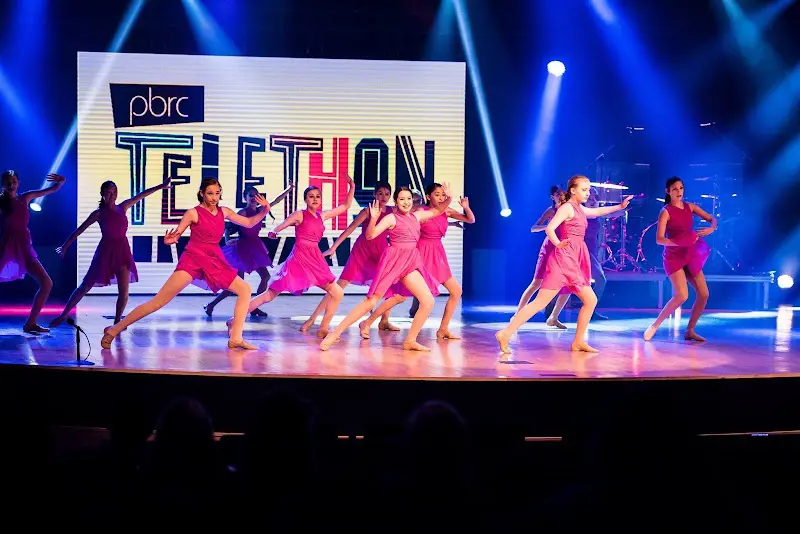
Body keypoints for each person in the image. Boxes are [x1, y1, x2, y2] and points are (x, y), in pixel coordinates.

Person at [101, 177, 270, 350]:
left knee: (244, 289)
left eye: (217, 193)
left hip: (214, 260)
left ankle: (236, 338)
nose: (214, 197)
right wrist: (170, 240)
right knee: (159, 301)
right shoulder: (193, 213)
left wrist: (265, 209)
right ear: (202, 193)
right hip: (193, 259)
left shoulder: (224, 211)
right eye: (210, 193)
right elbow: (177, 234)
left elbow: (249, 223)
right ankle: (114, 329)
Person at [495, 175, 632, 353]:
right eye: (584, 190)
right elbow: (550, 228)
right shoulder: (567, 208)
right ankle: (505, 333)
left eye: (588, 190)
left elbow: (597, 212)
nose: (588, 193)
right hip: (562, 260)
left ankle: (578, 342)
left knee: (590, 300)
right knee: (540, 302)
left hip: (573, 260)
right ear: (573, 190)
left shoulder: (579, 208)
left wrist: (620, 207)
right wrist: (558, 243)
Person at [320, 185, 452, 352]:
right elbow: (370, 235)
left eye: (409, 199)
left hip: (410, 262)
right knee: (371, 301)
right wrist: (373, 219)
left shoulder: (417, 216)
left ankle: (410, 341)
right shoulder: (391, 218)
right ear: (396, 201)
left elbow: (438, 210)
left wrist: (449, 197)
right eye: (402, 199)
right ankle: (334, 334)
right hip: (393, 261)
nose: (406, 202)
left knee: (428, 301)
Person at [358, 182, 475, 340]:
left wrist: (466, 207)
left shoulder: (446, 211)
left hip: (438, 254)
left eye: (443, 195)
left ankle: (443, 329)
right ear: (428, 197)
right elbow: (404, 221)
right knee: (400, 296)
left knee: (456, 291)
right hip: (421, 254)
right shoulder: (420, 211)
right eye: (437, 195)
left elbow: (470, 220)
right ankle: (368, 322)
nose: (441, 198)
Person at [50, 179, 171, 327]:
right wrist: (65, 245)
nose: (112, 195)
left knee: (124, 292)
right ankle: (64, 314)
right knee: (86, 285)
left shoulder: (123, 207)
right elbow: (80, 230)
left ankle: (117, 322)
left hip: (122, 251)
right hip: (105, 251)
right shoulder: (98, 214)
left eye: (114, 192)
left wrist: (162, 186)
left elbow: (142, 195)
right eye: (108, 192)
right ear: (102, 194)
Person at [242, 179, 355, 329]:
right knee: (269, 295)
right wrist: (274, 232)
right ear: (305, 199)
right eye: (311, 196)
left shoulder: (322, 216)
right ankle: (235, 319)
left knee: (337, 292)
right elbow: (281, 225)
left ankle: (323, 328)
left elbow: (345, 206)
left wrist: (352, 186)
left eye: (317, 196)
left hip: (315, 259)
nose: (315, 199)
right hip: (300, 259)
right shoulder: (300, 215)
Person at [300, 181, 398, 338]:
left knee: (388, 285)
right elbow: (349, 229)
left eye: (387, 194)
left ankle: (384, 321)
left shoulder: (393, 211)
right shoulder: (367, 211)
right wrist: (333, 247)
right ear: (374, 194)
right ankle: (312, 319)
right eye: (380, 193)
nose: (383, 197)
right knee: (337, 287)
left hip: (381, 252)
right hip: (362, 252)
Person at [203, 182, 294, 318]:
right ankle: (211, 305)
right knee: (237, 285)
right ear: (245, 198)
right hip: (242, 249)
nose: (253, 198)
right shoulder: (243, 212)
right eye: (250, 196)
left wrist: (289, 189)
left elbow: (276, 200)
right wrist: (227, 240)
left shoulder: (261, 209)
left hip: (255, 247)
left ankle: (254, 307)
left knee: (265, 277)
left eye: (255, 195)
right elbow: (228, 228)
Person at [644, 177, 715, 342]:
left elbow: (712, 219)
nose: (679, 191)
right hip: (674, 256)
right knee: (682, 295)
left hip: (690, 254)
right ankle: (654, 326)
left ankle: (690, 330)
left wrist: (711, 228)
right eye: (675, 189)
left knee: (704, 294)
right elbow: (659, 239)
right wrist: (678, 242)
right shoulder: (666, 211)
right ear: (668, 191)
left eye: (681, 188)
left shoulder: (690, 207)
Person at [0, 170, 66, 333]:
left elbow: (50, 190)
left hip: (23, 247)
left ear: (18, 183)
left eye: (14, 182)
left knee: (47, 283)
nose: (11, 185)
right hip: (4, 246)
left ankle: (31, 323)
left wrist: (61, 182)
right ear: (3, 184)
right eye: (8, 182)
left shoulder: (25, 198)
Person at [517, 185, 571, 329]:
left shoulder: (568, 209)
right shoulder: (551, 211)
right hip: (549, 248)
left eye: (562, 193)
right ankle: (518, 314)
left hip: (564, 250)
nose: (560, 195)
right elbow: (533, 228)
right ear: (552, 197)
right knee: (536, 283)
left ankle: (554, 317)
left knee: (568, 285)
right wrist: (548, 227)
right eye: (557, 194)